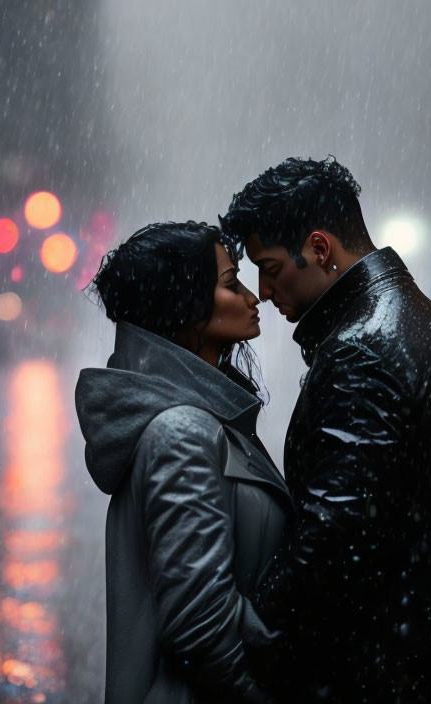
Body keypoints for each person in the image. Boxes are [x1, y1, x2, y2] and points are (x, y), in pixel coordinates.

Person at [220, 157, 431, 702]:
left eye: (268, 267)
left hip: (395, 679)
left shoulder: (362, 353)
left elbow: (332, 545)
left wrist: (247, 636)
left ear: (319, 249)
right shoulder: (417, 325)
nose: (264, 292)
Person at [74, 221, 292, 703]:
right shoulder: (183, 434)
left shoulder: (203, 422)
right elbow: (199, 623)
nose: (252, 297)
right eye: (231, 284)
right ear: (185, 307)